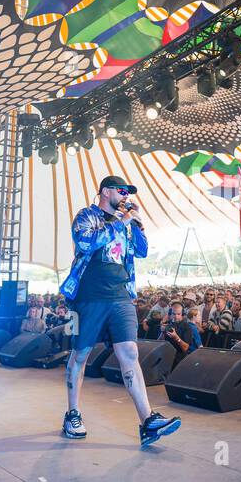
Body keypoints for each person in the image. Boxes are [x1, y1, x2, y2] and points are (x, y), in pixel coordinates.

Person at [60, 175, 180, 447]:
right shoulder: (87, 215)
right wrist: (121, 222)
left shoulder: (126, 223)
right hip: (89, 297)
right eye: (121, 190)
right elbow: (86, 244)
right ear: (105, 192)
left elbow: (142, 251)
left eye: (128, 192)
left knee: (130, 352)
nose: (126, 195)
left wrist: (137, 224)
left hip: (120, 295)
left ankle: (147, 421)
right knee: (80, 355)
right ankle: (73, 413)